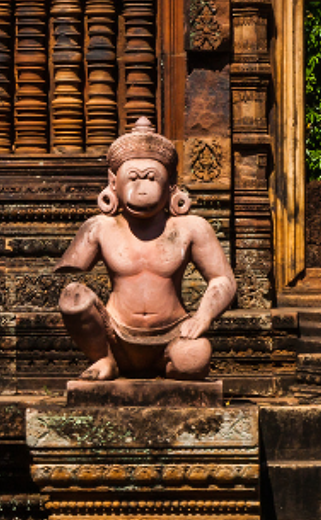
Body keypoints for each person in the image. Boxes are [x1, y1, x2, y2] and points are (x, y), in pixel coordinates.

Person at [57, 118, 236, 381]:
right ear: (113, 181)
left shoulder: (191, 228)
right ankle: (104, 359)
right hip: (114, 334)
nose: (143, 190)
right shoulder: (100, 227)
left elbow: (223, 279)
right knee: (72, 298)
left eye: (152, 177)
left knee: (196, 357)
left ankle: (167, 364)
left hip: (174, 334)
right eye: (134, 178)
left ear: (171, 182)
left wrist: (203, 317)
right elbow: (69, 276)